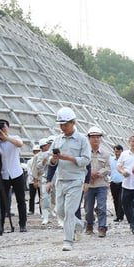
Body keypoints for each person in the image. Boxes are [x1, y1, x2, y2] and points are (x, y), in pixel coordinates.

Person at [47, 107, 91, 251]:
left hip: (75, 180)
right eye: (60, 124)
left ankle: (68, 241)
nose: (62, 127)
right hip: (61, 180)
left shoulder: (82, 140)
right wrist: (53, 159)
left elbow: (86, 160)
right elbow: (50, 161)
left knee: (69, 211)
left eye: (65, 124)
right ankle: (80, 225)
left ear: (73, 122)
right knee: (60, 212)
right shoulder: (57, 140)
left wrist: (69, 158)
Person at [84, 126, 111, 238]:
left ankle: (102, 227)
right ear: (89, 138)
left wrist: (97, 173)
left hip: (101, 184)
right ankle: (89, 224)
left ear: (101, 139)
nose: (95, 139)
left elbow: (108, 168)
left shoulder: (106, 153)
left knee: (101, 207)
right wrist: (89, 174)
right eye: (93, 137)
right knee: (88, 208)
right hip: (88, 184)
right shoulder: (84, 153)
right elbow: (80, 166)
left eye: (98, 137)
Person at [117, 134, 134, 235]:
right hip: (127, 184)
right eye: (133, 141)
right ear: (129, 142)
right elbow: (118, 166)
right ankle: (132, 222)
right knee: (125, 204)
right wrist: (122, 172)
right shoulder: (124, 154)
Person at [34, 137, 54, 225]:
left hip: (56, 178)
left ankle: (56, 214)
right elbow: (37, 167)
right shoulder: (40, 155)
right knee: (45, 198)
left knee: (56, 198)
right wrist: (44, 161)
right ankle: (45, 217)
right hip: (45, 178)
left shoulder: (58, 154)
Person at [109, 144, 125, 222]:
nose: (117, 153)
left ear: (122, 151)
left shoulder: (125, 160)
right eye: (115, 151)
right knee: (115, 200)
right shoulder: (111, 160)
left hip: (122, 183)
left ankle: (120, 216)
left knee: (121, 200)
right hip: (113, 182)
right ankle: (118, 215)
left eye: (118, 151)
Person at [27, 144, 40, 214]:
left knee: (41, 197)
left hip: (40, 181)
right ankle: (31, 210)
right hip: (32, 181)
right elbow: (30, 172)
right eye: (35, 151)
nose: (36, 152)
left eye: (38, 151)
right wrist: (35, 179)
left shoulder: (41, 160)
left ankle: (42, 211)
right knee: (32, 196)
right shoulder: (30, 161)